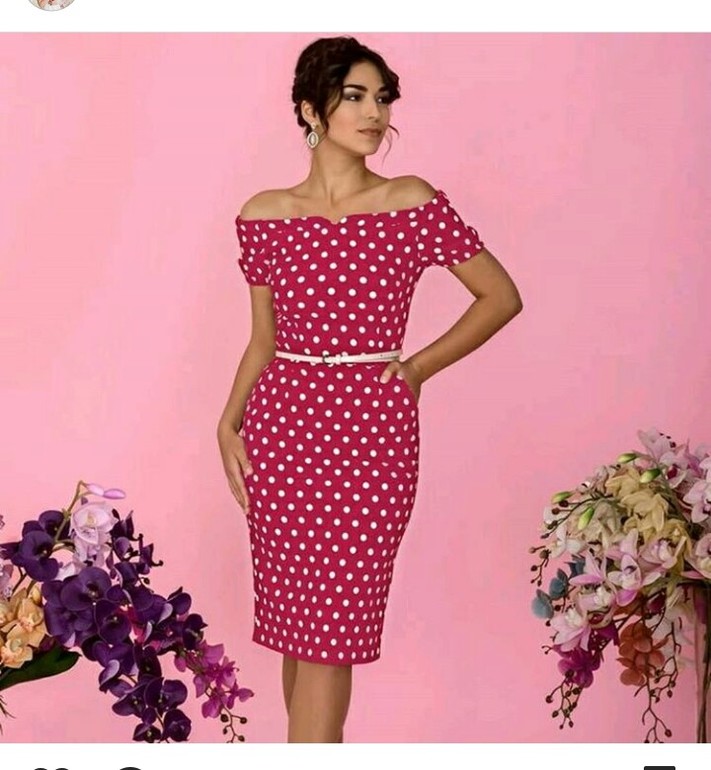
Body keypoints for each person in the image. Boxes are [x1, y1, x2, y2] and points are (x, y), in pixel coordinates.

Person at [217, 36, 523, 743]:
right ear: (310, 109)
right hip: (282, 428)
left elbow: (500, 297)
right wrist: (227, 423)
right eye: (353, 96)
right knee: (298, 630)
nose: (374, 112)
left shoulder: (409, 201)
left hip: (369, 432)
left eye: (381, 98)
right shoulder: (263, 215)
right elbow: (263, 341)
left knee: (331, 628)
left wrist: (414, 370)